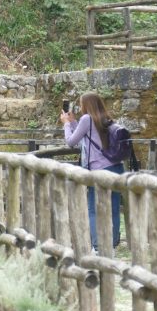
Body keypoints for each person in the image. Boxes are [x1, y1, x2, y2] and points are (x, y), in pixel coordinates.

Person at [61, 92, 124, 250]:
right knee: (114, 207)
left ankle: (97, 246)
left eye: (81, 104)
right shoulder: (106, 118)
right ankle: (113, 242)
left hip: (98, 171)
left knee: (94, 209)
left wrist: (66, 124)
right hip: (116, 168)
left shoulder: (87, 119)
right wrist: (73, 122)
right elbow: (87, 137)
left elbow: (71, 142)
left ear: (86, 105)